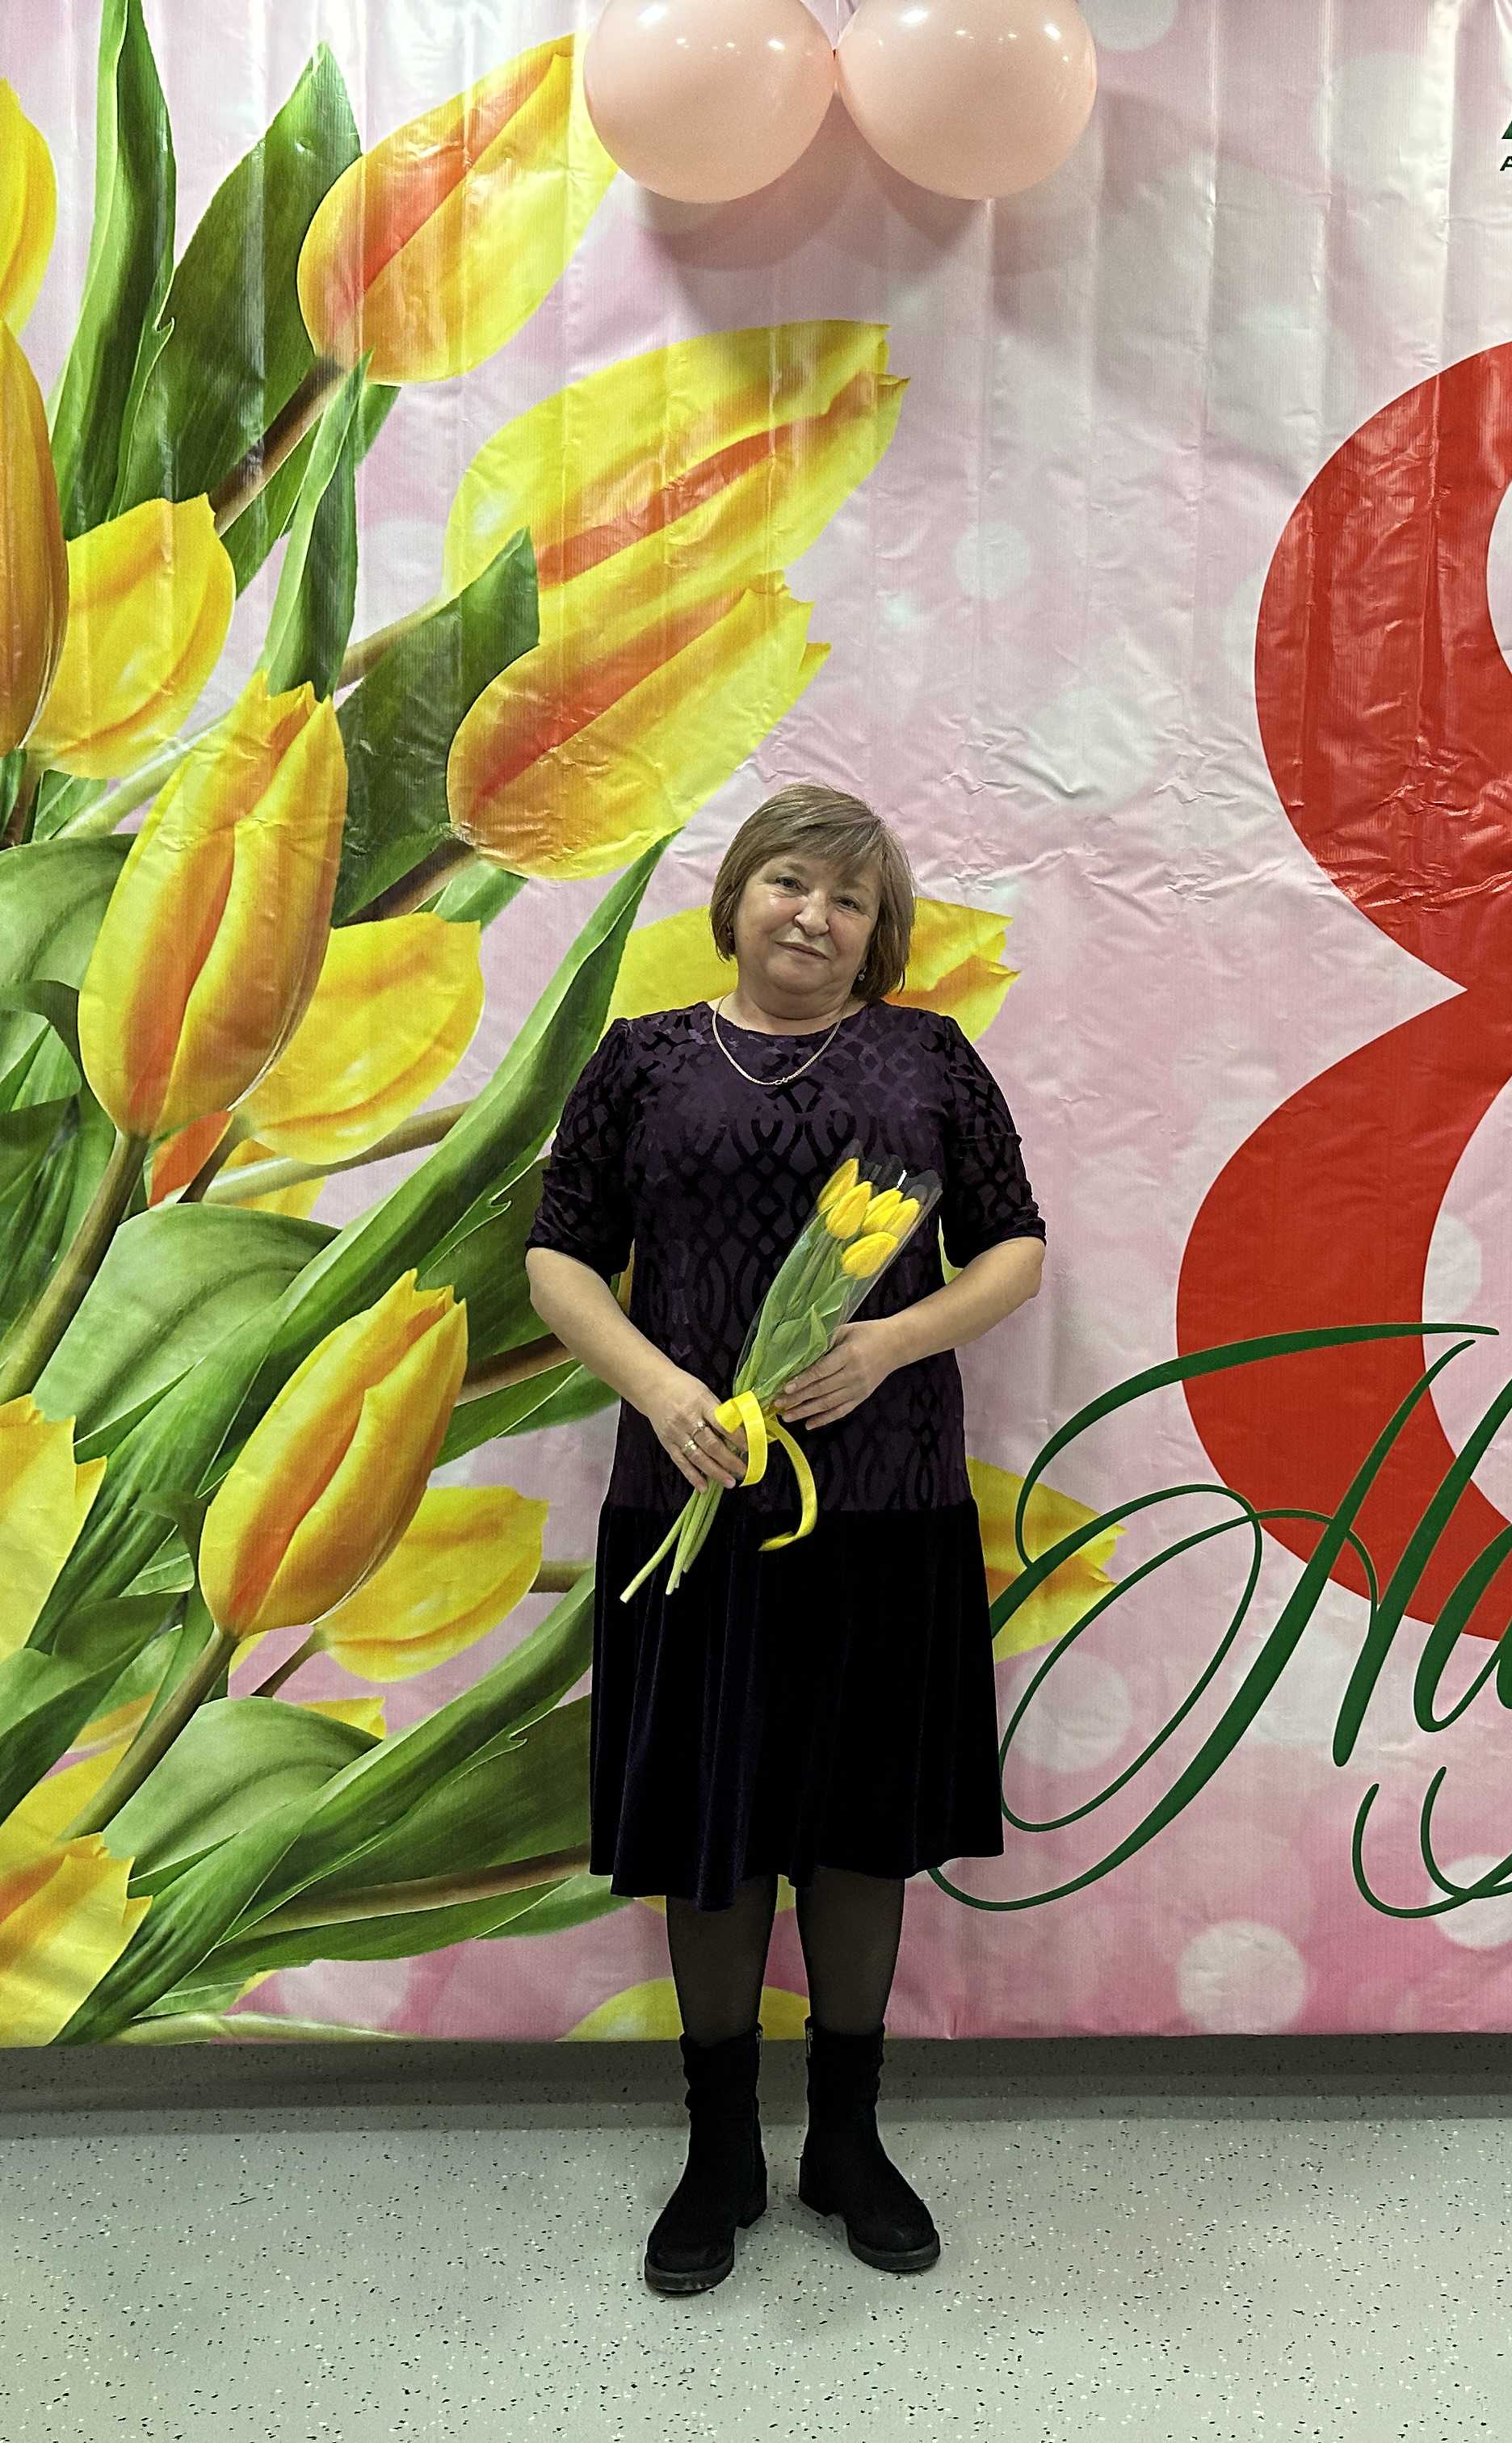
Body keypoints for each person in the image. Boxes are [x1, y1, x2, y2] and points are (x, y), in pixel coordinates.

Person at [523, 782, 1048, 2295]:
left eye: (851, 900)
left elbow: (1014, 1248)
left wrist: (891, 1344)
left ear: (879, 936)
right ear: (738, 896)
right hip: (689, 1503)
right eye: (790, 883)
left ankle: (848, 2141)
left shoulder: (927, 1060)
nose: (815, 916)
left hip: (888, 1502)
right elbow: (561, 1258)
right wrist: (660, 1388)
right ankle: (719, 2151)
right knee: (714, 1830)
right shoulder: (640, 1061)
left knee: (860, 1827)